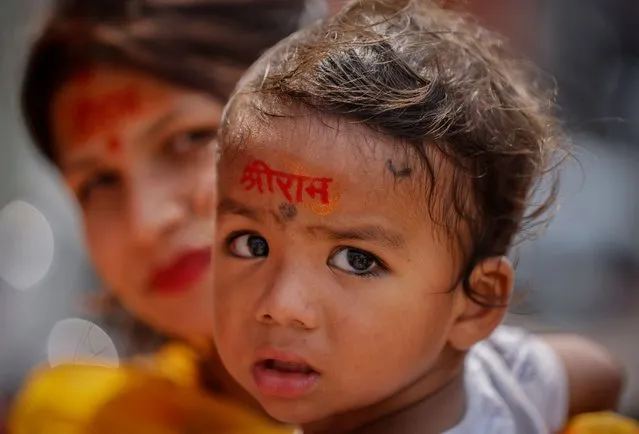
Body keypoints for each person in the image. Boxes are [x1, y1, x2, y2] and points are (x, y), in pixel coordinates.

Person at [211, 0, 625, 433]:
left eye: (356, 260)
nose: (280, 306)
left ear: (475, 306)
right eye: (250, 244)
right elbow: (600, 371)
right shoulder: (502, 374)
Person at [8, 0, 322, 432]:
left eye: (188, 138)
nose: (146, 222)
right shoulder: (86, 422)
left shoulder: (439, 392)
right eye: (98, 183)